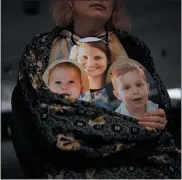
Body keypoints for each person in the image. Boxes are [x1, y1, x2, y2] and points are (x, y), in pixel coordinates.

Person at [10, 0, 180, 179]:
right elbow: (26, 119)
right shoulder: (40, 48)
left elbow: (161, 109)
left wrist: (159, 118)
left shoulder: (135, 48)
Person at [69, 37, 113, 109]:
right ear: (76, 59)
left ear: (108, 60)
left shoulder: (119, 91)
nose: (90, 64)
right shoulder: (70, 92)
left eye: (97, 58)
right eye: (84, 57)